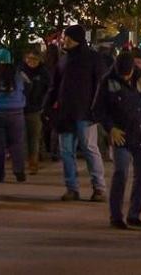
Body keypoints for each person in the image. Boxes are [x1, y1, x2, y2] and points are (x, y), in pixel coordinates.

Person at [44, 24, 107, 202]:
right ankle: (72, 188)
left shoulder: (93, 59)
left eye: (68, 37)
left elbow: (100, 85)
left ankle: (99, 188)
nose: (65, 40)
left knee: (89, 149)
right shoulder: (63, 60)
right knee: (66, 151)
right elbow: (54, 86)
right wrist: (47, 106)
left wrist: (97, 109)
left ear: (77, 39)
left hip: (85, 113)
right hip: (66, 113)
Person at [92, 52, 141, 230]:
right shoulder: (107, 81)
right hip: (121, 135)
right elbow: (98, 110)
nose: (126, 77)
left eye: (128, 73)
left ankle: (134, 214)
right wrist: (111, 128)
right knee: (121, 174)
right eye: (123, 74)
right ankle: (116, 216)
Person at [0, 48, 27, 183]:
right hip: (16, 111)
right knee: (17, 143)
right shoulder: (18, 74)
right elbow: (27, 88)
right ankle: (19, 171)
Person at [22, 49, 50, 175]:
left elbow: (48, 90)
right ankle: (22, 162)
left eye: (35, 59)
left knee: (34, 137)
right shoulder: (20, 72)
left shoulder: (43, 73)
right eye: (29, 58)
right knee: (22, 138)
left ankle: (33, 163)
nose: (31, 61)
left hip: (35, 109)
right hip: (20, 108)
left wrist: (44, 105)